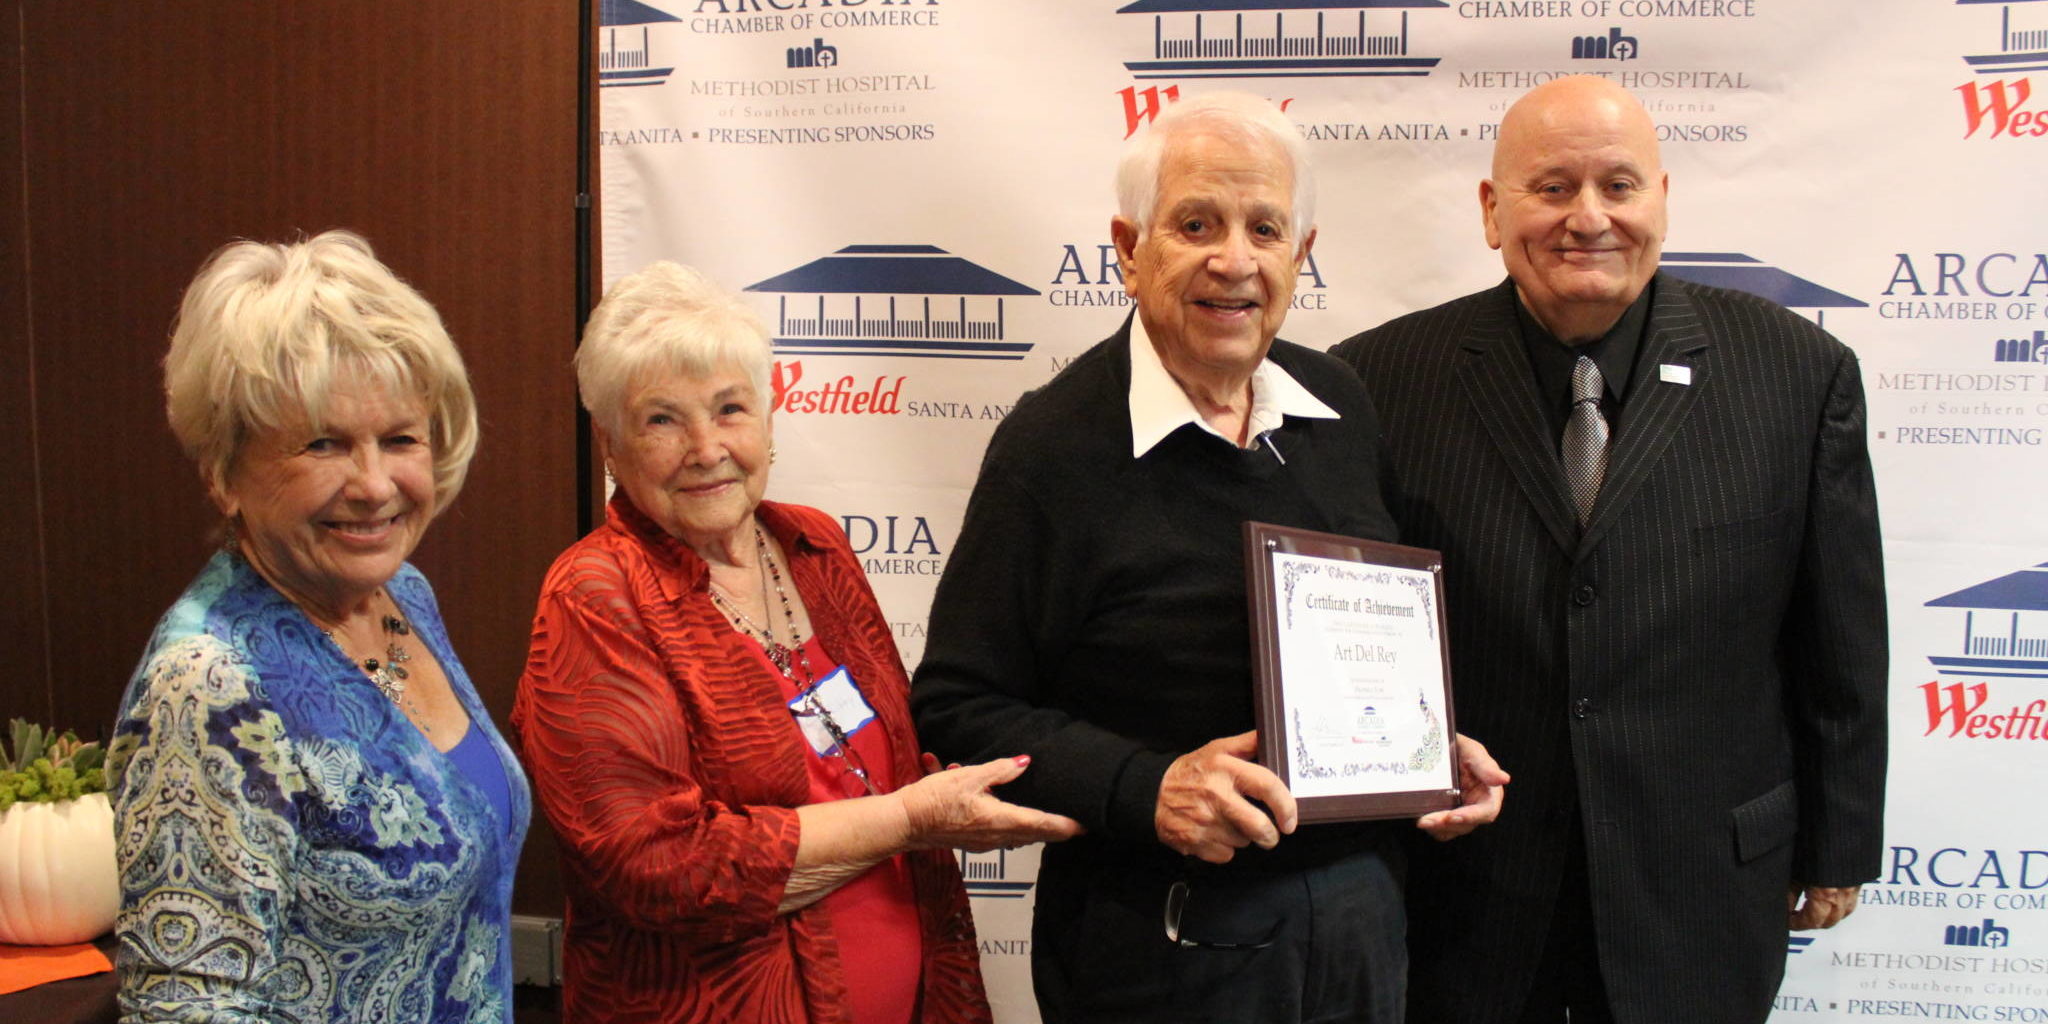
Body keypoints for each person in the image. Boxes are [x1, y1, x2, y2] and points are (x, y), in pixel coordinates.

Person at [910, 92, 1508, 1024]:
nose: (1234, 260)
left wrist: (1424, 743)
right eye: (1196, 224)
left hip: (1362, 921)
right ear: (1128, 248)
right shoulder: (1055, 448)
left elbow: (1358, 640)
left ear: (1299, 257)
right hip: (1160, 940)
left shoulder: (1340, 407)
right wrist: (1145, 787)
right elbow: (957, 707)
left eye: (1265, 229)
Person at [1331, 76, 1888, 1024]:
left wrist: (1839, 843)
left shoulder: (1799, 374)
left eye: (1619, 187)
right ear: (1491, 209)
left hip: (1702, 887)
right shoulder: (1377, 380)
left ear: (1662, 200)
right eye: (1551, 187)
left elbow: (1838, 635)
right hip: (1465, 892)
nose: (1587, 218)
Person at [512, 261, 1079, 1024]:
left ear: (770, 418)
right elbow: (658, 868)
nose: (707, 447)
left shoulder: (816, 547)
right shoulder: (596, 595)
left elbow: (888, 763)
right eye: (662, 420)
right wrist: (911, 821)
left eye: (730, 409)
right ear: (609, 444)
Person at [107, 230, 530, 1022]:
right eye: (323, 444)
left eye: (399, 438)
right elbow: (187, 1009)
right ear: (225, 472)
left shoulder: (401, 592)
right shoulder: (209, 684)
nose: (374, 485)